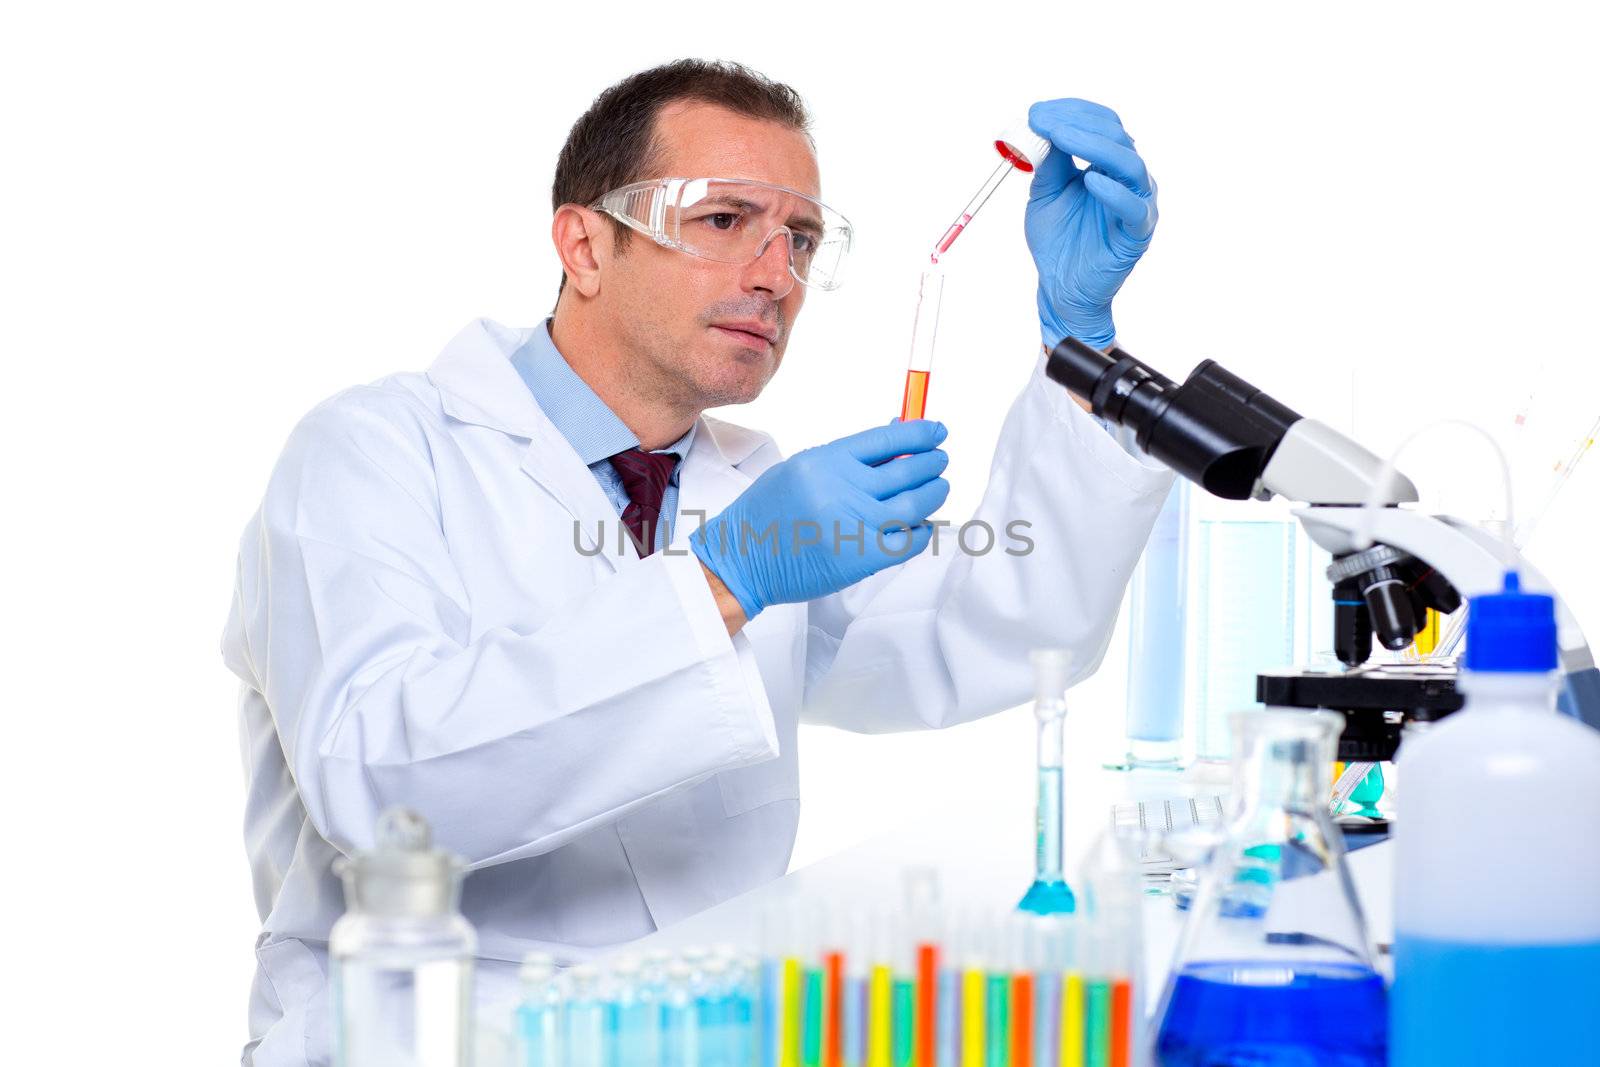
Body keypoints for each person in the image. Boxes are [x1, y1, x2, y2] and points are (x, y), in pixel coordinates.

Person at [223, 59, 1171, 1065]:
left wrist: (1082, 350)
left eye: (800, 238)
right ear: (583, 243)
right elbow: (381, 788)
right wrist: (724, 579)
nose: (776, 274)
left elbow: (1010, 630)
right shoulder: (374, 450)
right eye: (723, 220)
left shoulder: (744, 485)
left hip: (697, 1036)